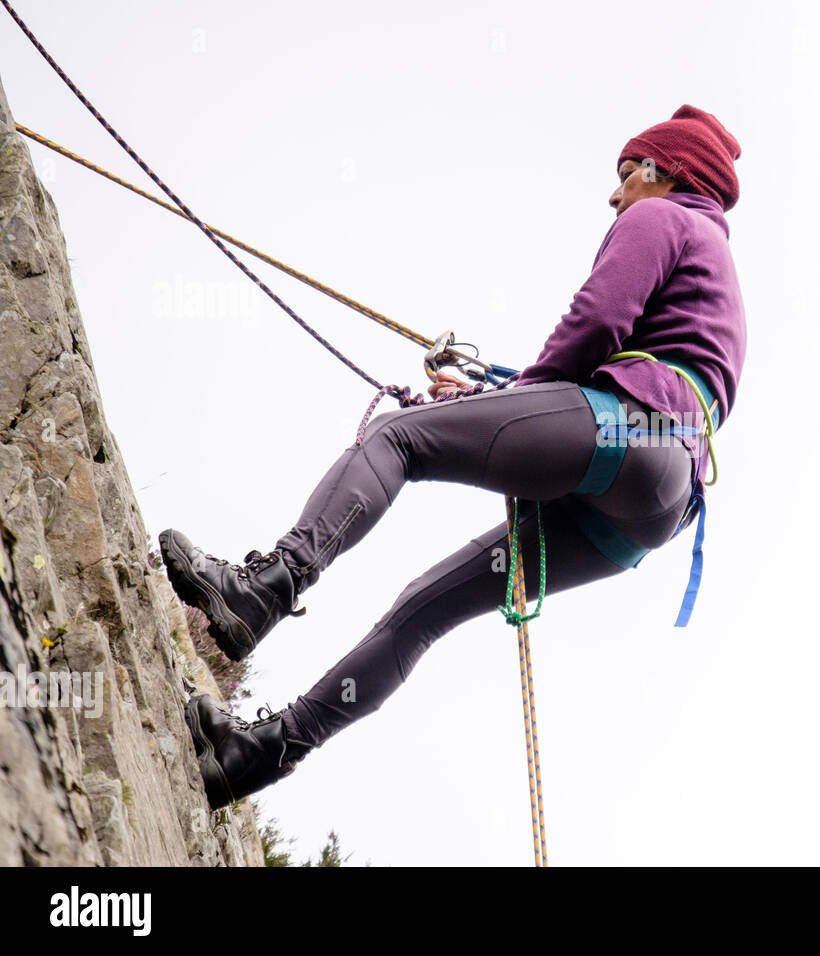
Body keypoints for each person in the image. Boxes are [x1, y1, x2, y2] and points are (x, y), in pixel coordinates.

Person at [161, 104, 747, 809]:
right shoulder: (721, 274)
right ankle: (259, 754)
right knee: (424, 608)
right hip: (653, 502)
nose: (615, 194)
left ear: (667, 171)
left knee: (400, 437)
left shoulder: (661, 218)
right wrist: (495, 399)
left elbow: (597, 323)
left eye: (627, 174)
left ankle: (268, 585)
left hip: (626, 432)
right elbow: (639, 377)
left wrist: (506, 399)